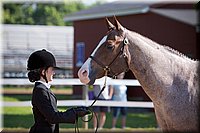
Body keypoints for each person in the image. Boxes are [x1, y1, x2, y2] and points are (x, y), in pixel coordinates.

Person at [27, 49, 90, 133]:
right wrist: (74, 113)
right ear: (43, 72)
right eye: (52, 70)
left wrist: (75, 110)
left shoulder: (44, 89)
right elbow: (53, 117)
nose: (54, 73)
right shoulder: (40, 91)